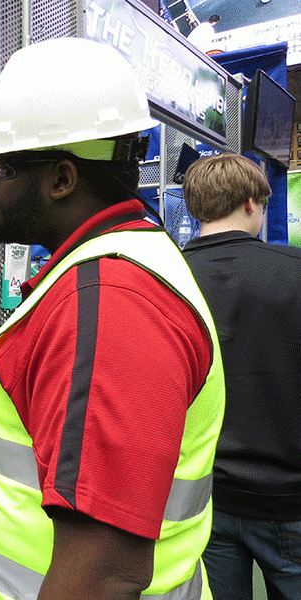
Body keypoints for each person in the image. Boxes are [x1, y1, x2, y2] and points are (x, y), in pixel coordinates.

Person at [0, 38, 225, 600]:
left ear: (62, 179)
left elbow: (106, 573)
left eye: (2, 166)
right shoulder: (103, 272)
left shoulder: (112, 300)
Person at [182, 153, 301, 600]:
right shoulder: (294, 272)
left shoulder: (166, 276)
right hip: (287, 497)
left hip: (202, 497)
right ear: (252, 203)